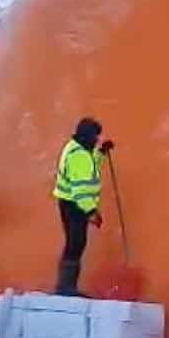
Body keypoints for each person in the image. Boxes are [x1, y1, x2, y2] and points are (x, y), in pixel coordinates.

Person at [52, 117, 114, 296]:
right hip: (75, 205)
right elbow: (81, 191)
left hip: (68, 202)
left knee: (74, 242)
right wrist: (91, 212)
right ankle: (66, 288)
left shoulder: (76, 148)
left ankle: (66, 287)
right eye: (96, 137)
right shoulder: (79, 156)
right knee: (76, 243)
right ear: (87, 137)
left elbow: (90, 167)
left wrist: (101, 153)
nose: (97, 139)